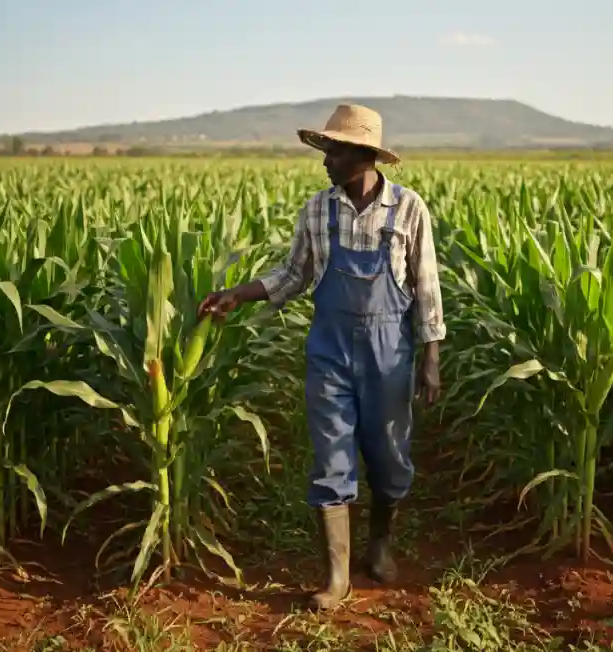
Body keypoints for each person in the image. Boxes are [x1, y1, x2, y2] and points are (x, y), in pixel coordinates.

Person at [197, 103, 445, 610]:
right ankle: (337, 578)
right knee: (331, 454)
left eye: (333, 150)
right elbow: (292, 275)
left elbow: (426, 287)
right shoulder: (317, 209)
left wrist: (431, 358)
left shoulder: (408, 208)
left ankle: (378, 546)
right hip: (330, 351)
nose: (325, 159)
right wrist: (235, 295)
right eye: (326, 149)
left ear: (363, 154)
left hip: (389, 354)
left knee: (389, 458)